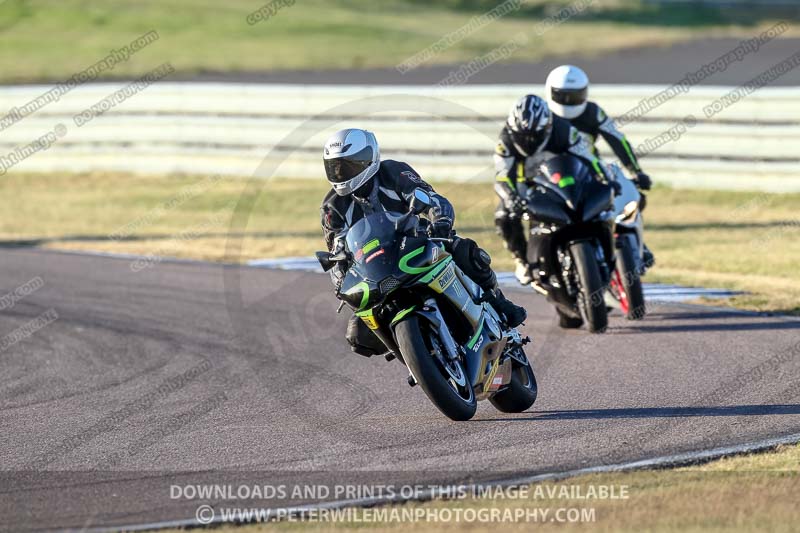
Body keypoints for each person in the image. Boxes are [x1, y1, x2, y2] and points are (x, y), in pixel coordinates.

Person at [321, 128, 527, 358]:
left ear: (367, 159)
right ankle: (414, 357)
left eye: (346, 166)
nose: (339, 173)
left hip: (413, 244)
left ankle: (498, 302)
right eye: (334, 167)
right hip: (375, 268)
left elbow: (431, 198)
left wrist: (440, 221)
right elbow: (336, 251)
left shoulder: (394, 172)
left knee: (465, 251)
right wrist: (341, 282)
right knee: (357, 334)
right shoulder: (332, 207)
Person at [493, 94, 615, 285]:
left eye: (535, 135)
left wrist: (605, 178)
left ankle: (605, 250)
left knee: (603, 199)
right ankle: (522, 259)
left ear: (548, 126)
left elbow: (589, 159)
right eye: (523, 136)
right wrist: (510, 197)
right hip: (527, 183)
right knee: (504, 215)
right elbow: (502, 177)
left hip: (563, 178)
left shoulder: (564, 130)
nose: (529, 141)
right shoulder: (505, 141)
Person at [545, 64, 654, 266]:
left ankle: (634, 243)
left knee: (633, 195)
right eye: (563, 96)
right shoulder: (543, 116)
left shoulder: (593, 112)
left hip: (591, 171)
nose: (569, 101)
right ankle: (530, 260)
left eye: (575, 96)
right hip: (553, 175)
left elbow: (617, 139)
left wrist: (636, 171)